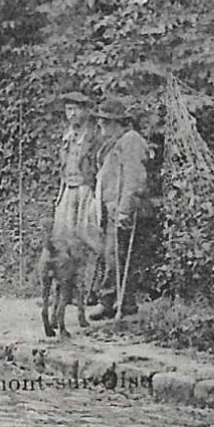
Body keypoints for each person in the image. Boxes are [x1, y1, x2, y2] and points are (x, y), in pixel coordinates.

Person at [92, 98, 152, 320]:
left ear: (119, 123)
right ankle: (120, 302)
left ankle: (112, 302)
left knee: (117, 255)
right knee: (114, 255)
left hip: (123, 209)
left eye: (106, 122)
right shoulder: (115, 143)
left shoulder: (131, 141)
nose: (102, 127)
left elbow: (133, 178)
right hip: (111, 207)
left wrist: (126, 209)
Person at [51, 91, 103, 261]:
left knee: (85, 232)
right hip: (68, 188)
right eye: (68, 110)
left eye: (75, 110)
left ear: (85, 111)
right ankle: (65, 276)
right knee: (63, 234)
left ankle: (86, 277)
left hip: (86, 189)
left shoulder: (94, 135)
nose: (71, 114)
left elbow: (100, 165)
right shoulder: (68, 134)